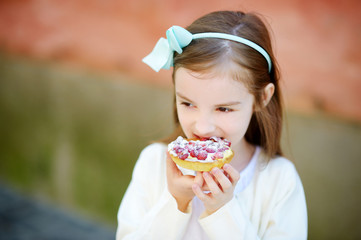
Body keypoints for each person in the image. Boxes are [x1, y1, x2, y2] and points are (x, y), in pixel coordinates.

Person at [116, 10, 307, 239]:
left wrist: (223, 212)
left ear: (262, 98)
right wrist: (175, 201)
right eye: (188, 103)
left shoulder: (280, 181)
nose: (203, 127)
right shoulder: (153, 163)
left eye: (224, 108)